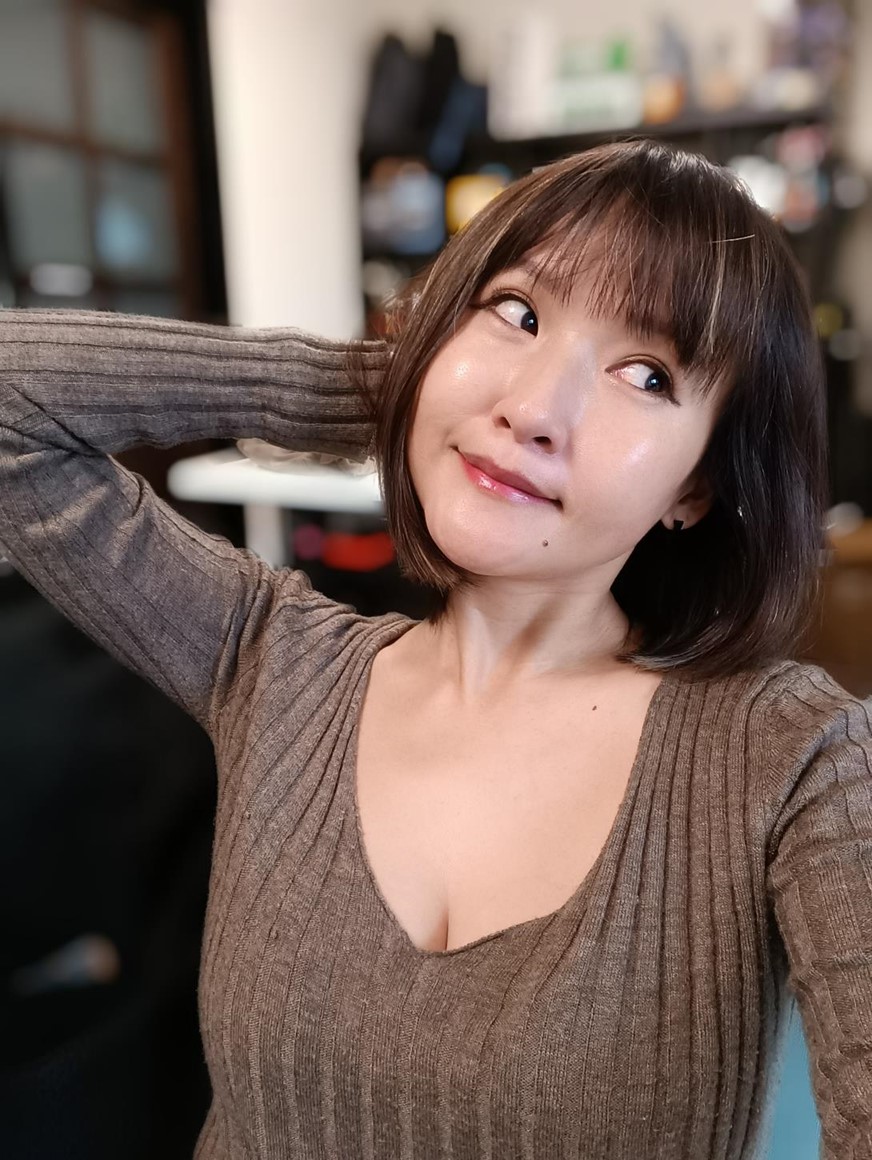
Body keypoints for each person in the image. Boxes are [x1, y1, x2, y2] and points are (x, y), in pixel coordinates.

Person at [0, 138, 869, 1159]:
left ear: (696, 484)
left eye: (646, 373)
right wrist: (394, 385)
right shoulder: (273, 659)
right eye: (517, 312)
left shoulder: (794, 759)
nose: (533, 408)